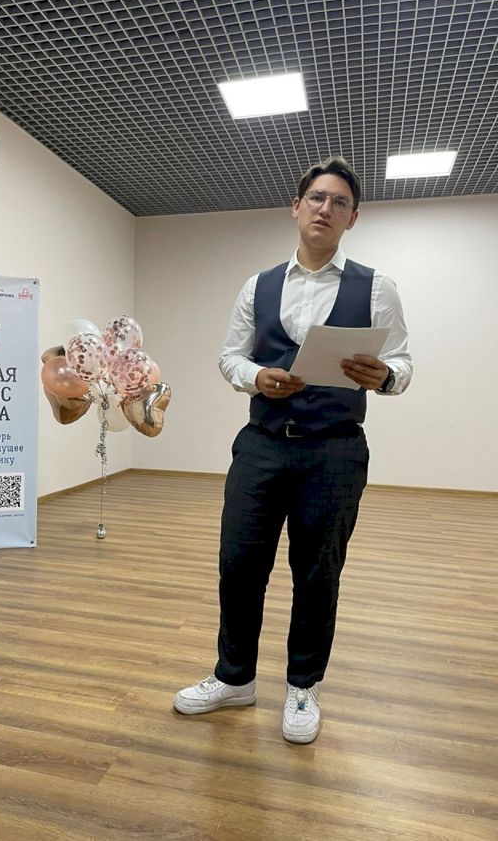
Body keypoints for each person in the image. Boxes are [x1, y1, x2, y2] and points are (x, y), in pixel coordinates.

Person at [173, 156, 412, 743]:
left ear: (353, 218)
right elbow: (230, 356)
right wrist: (256, 377)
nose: (325, 208)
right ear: (297, 207)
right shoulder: (258, 285)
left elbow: (402, 364)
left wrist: (383, 375)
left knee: (318, 571)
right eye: (317, 198)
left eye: (339, 202)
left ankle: (303, 685)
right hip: (261, 444)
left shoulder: (377, 287)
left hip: (335, 450)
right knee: (238, 564)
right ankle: (234, 678)